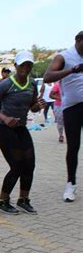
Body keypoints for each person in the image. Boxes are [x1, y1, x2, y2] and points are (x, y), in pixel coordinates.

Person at [0, 51, 45, 215]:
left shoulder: (32, 84)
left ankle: (23, 199)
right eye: (22, 65)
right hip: (3, 129)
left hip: (20, 128)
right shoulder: (6, 84)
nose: (25, 68)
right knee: (17, 165)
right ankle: (2, 200)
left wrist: (38, 105)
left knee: (30, 164)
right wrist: (4, 118)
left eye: (29, 65)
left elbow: (32, 106)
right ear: (16, 66)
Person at [43, 31, 83, 202]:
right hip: (72, 107)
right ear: (78, 40)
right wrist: (72, 70)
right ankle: (70, 184)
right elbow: (47, 77)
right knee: (73, 146)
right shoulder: (64, 57)